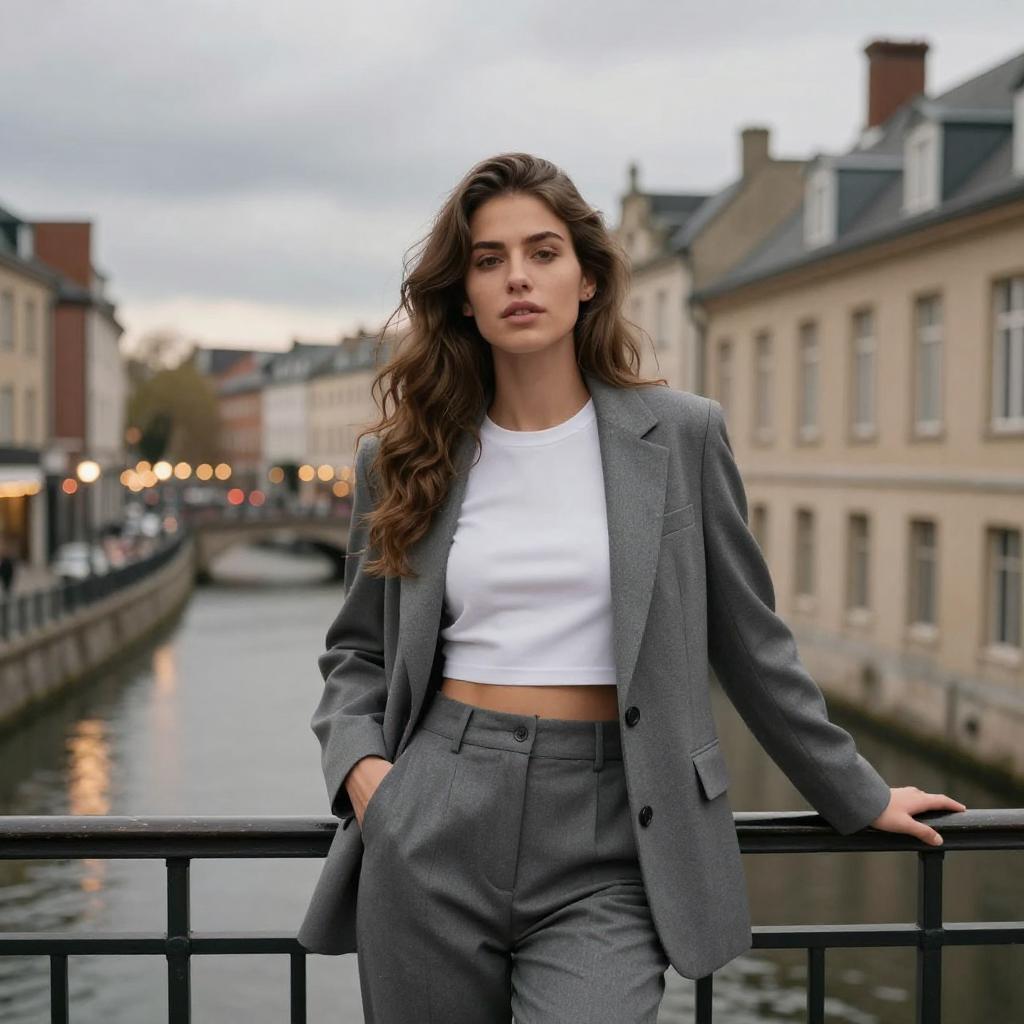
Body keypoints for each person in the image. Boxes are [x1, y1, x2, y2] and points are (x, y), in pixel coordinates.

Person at [297, 152, 966, 1023]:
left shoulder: (681, 435)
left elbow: (751, 641)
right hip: (434, 810)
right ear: (463, 294)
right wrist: (364, 773)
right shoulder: (402, 457)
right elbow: (358, 647)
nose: (518, 279)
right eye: (489, 260)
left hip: (619, 822)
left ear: (587, 278)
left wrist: (858, 792)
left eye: (543, 253)